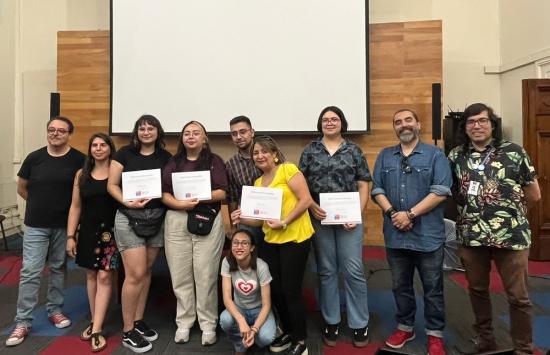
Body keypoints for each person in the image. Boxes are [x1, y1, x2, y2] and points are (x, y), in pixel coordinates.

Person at [448, 103, 541, 354]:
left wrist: (511, 215)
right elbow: (453, 191)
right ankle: (485, 339)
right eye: (470, 122)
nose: (476, 126)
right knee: (477, 290)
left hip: (510, 236)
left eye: (482, 121)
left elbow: (533, 194)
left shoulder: (514, 152)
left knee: (518, 297)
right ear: (464, 127)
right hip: (472, 236)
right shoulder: (456, 155)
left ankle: (523, 347)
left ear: (493, 124)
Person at [371, 109, 451, 355]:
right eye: (398, 122)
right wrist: (394, 213)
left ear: (418, 124)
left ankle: (435, 334)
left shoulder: (435, 155)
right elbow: (377, 189)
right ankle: (405, 326)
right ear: (394, 128)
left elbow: (440, 190)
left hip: (428, 236)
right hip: (396, 235)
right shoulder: (385, 155)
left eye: (408, 120)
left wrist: (410, 214)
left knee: (433, 287)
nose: (403, 125)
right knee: (400, 285)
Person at [6, 116, 85, 347]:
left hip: (63, 225)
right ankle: (23, 321)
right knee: (30, 271)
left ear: (69, 133)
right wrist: (40, 205)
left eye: (61, 131)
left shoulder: (79, 160)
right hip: (35, 225)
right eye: (51, 130)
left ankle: (55, 309)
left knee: (59, 268)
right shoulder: (34, 158)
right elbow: (22, 188)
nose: (55, 134)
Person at [231, 136, 314, 355]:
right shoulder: (258, 184)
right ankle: (287, 331)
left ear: (275, 153)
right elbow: (259, 221)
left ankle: (301, 341)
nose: (259, 156)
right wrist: (242, 217)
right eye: (255, 153)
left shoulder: (288, 170)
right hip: (270, 241)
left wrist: (285, 221)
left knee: (291, 289)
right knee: (276, 290)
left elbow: (305, 200)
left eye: (264, 152)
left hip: (295, 238)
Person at [299, 106, 371, 347]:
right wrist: (310, 206)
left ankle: (360, 323)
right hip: (320, 218)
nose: (330, 123)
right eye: (325, 119)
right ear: (320, 124)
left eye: (334, 119)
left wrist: (357, 213)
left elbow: (363, 184)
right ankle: (331, 320)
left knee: (353, 271)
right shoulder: (310, 151)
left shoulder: (354, 150)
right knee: (326, 271)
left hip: (349, 219)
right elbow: (301, 187)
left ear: (342, 123)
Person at [107, 114, 172, 353]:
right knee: (134, 274)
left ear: (158, 132)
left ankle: (137, 320)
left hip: (157, 219)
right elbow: (111, 185)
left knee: (145, 272)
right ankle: (127, 331)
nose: (146, 132)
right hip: (128, 217)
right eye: (142, 128)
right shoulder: (124, 153)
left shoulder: (166, 157)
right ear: (136, 132)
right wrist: (128, 201)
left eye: (150, 128)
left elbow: (168, 186)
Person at [161, 120, 228, 346]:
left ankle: (208, 324)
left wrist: (199, 198)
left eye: (195, 133)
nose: (190, 136)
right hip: (177, 221)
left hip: (207, 220)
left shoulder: (215, 161)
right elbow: (164, 194)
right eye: (186, 133)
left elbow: (222, 193)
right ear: (182, 139)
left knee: (206, 274)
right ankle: (184, 322)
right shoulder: (174, 162)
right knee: (180, 275)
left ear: (204, 138)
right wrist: (181, 205)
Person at [66, 133, 119, 352]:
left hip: (111, 232)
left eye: (102, 145)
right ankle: (94, 318)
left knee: (105, 275)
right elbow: (75, 207)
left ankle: (97, 328)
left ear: (110, 148)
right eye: (94, 145)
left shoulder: (118, 171)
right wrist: (70, 236)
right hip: (87, 231)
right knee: (90, 275)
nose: (98, 148)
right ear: (90, 150)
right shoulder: (81, 174)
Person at [219, 229, 276, 354]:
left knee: (267, 337)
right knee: (225, 320)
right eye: (235, 243)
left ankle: (251, 338)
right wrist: (241, 320)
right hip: (239, 308)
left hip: (259, 309)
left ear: (252, 248)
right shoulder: (227, 262)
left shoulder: (261, 266)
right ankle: (240, 345)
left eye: (244, 243)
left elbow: (267, 304)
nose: (239, 246)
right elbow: (227, 298)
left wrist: (254, 329)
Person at [226, 116, 264, 257]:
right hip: (248, 220)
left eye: (243, 132)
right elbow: (233, 198)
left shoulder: (270, 154)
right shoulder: (231, 165)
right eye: (234, 134)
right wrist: (234, 226)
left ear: (252, 132)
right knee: (251, 261)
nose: (238, 137)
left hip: (274, 217)